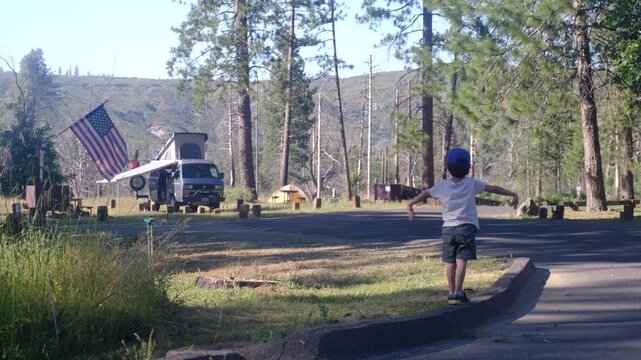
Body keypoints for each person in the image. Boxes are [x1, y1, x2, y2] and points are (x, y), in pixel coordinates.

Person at [407, 148, 519, 305]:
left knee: (450, 261)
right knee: (461, 260)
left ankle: (451, 291)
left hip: (447, 228)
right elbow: (493, 188)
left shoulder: (442, 185)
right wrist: (513, 194)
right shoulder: (471, 183)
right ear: (468, 168)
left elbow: (425, 194)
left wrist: (411, 204)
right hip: (466, 227)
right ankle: (459, 291)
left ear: (448, 167)